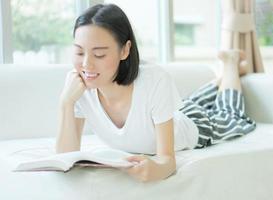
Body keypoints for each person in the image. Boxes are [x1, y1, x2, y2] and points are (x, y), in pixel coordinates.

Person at [56, 3, 256, 182]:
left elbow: (167, 161)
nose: (86, 64)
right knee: (191, 102)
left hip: (193, 125)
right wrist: (66, 103)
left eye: (99, 54)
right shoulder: (77, 84)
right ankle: (227, 77)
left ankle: (230, 65)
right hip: (170, 113)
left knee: (233, 117)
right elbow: (65, 158)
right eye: (79, 52)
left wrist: (156, 169)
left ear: (125, 50)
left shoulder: (153, 80)